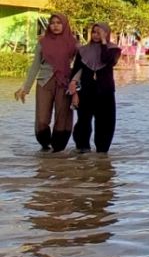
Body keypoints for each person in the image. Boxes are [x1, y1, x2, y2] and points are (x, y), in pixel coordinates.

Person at [14, 12, 77, 152]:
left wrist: (76, 85)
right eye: (52, 23)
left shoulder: (73, 43)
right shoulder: (43, 42)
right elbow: (35, 66)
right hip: (44, 82)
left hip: (64, 83)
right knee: (42, 119)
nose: (55, 26)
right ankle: (44, 144)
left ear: (65, 24)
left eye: (59, 23)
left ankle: (58, 150)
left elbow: (80, 66)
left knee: (62, 117)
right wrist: (26, 87)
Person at [69, 22, 122, 153]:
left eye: (100, 32)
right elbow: (76, 70)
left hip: (105, 91)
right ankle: (82, 149)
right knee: (83, 122)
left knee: (105, 123)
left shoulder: (114, 50)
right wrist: (74, 93)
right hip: (86, 90)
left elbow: (106, 60)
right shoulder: (83, 50)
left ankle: (102, 153)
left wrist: (104, 42)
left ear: (106, 33)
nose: (96, 35)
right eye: (94, 32)